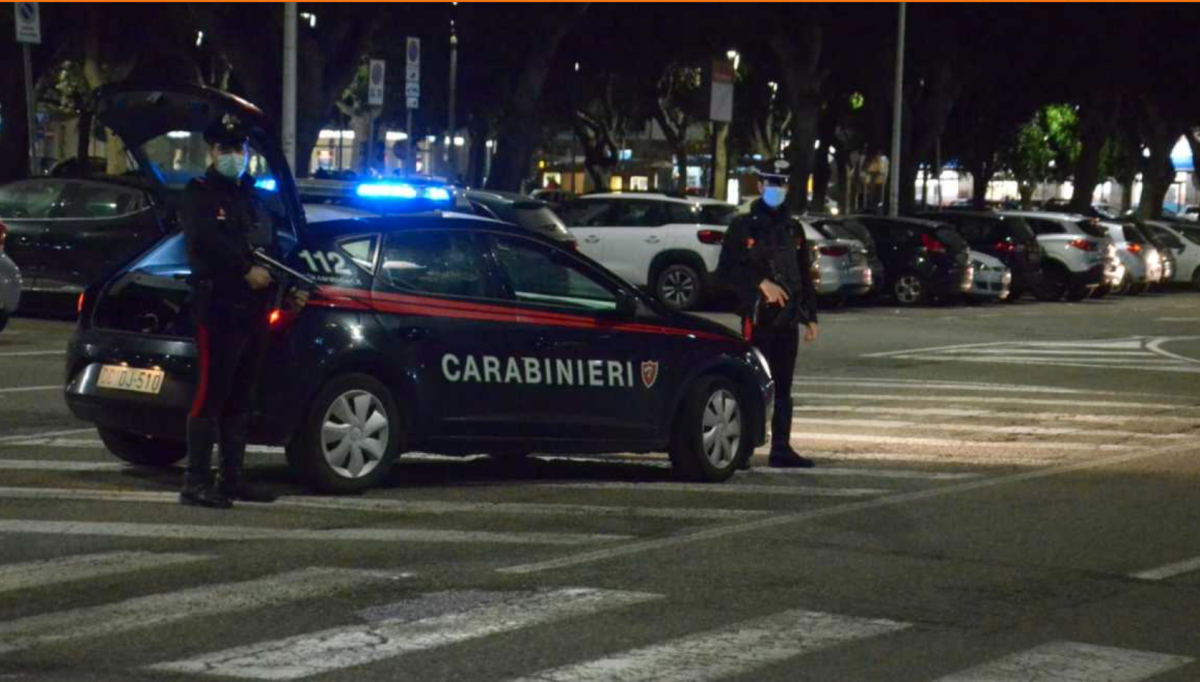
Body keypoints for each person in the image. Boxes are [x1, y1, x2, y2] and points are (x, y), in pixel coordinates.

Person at [179, 114, 307, 508]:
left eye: (240, 149)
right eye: (227, 149)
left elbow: (271, 247)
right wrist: (243, 270)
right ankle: (195, 482)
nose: (235, 156)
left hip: (253, 308)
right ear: (211, 152)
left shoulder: (252, 197)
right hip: (218, 304)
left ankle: (232, 478)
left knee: (241, 395)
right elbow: (205, 242)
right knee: (210, 394)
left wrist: (293, 285)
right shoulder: (199, 194)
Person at [717, 159, 819, 468]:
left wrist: (810, 317)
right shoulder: (743, 226)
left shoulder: (793, 228)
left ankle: (781, 448)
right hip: (758, 318)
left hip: (787, 320)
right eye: (771, 182)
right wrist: (761, 284)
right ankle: (744, 449)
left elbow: (803, 273)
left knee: (784, 386)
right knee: (752, 382)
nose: (776, 188)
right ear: (760, 185)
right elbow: (726, 271)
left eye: (781, 183)